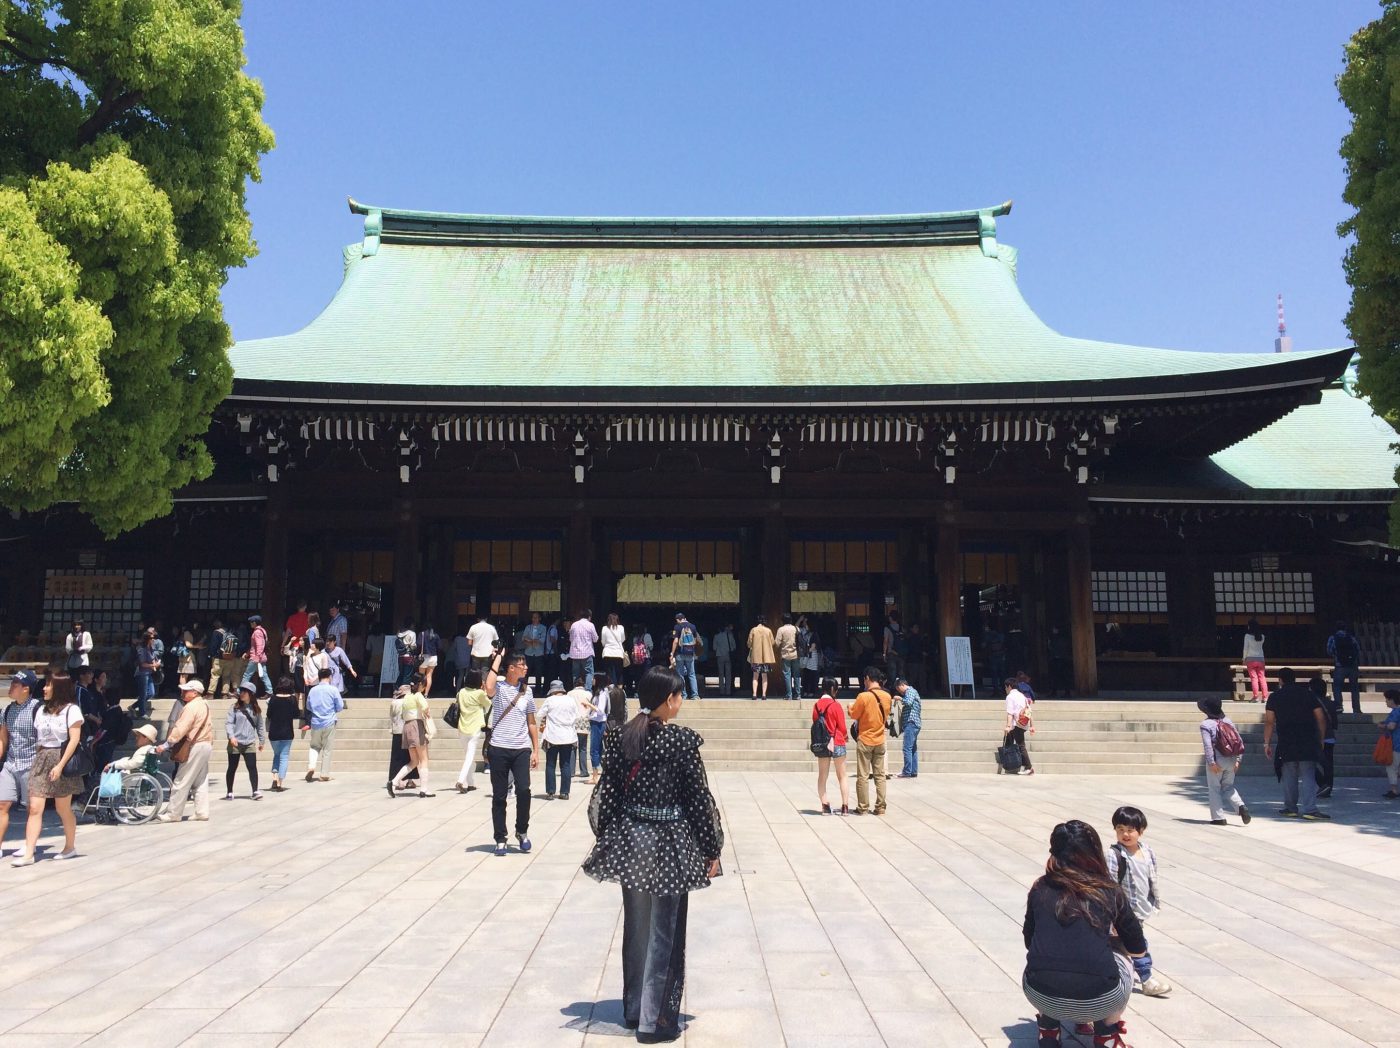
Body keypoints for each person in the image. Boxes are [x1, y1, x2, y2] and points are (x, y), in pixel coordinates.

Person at [582, 666, 724, 1044]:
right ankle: (654, 1019)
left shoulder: (621, 738)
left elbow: (607, 795)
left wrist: (608, 837)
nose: (680, 701)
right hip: (669, 844)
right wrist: (711, 848)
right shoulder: (680, 742)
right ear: (669, 700)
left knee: (637, 926)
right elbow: (698, 801)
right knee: (665, 929)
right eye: (678, 695)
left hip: (631, 840)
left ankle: (633, 1008)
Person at [1022, 820, 1145, 1048]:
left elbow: (1029, 942)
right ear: (1095, 851)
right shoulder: (1109, 890)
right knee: (1123, 957)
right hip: (1102, 999)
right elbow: (1138, 949)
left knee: (1045, 958)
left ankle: (1048, 1030)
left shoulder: (1040, 887)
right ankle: (1106, 1034)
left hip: (1040, 993)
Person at [11, 673, 84, 865]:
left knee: (63, 808)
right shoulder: (42, 710)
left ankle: (70, 846)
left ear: (59, 687)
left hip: (61, 758)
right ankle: (29, 853)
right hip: (41, 758)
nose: (44, 688)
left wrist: (60, 765)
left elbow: (74, 740)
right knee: (34, 807)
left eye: (48, 685)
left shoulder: (72, 710)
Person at [1104, 806, 1171, 998]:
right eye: (1120, 829)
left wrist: (1153, 901)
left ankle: (1114, 973)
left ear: (1141, 831)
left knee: (1122, 944)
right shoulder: (1114, 854)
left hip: (1142, 907)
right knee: (1137, 942)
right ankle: (1146, 978)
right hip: (1124, 911)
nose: (1125, 834)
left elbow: (1152, 877)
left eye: (1130, 830)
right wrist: (1114, 915)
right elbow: (1111, 885)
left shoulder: (1147, 851)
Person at [485, 650, 541, 856]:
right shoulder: (499, 688)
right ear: (510, 668)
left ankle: (522, 830)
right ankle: (500, 837)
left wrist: (536, 750)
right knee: (499, 795)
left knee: (524, 790)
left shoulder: (527, 691)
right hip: (499, 747)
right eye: (521, 664)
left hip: (521, 748)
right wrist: (498, 657)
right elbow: (488, 687)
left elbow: (532, 722)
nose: (525, 667)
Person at [1263, 667, 1329, 819]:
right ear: (1295, 679)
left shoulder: (1275, 697)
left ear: (1280, 680)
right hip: (1307, 738)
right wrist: (1321, 738)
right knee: (1308, 775)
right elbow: (1320, 717)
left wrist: (1266, 743)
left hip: (1286, 740)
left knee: (1289, 776)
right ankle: (1310, 809)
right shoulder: (1308, 694)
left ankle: (1290, 807)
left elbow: (1269, 721)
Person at [156, 680, 214, 824]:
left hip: (194, 745)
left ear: (195, 693)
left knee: (182, 779)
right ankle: (201, 812)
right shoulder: (205, 705)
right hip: (206, 744)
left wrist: (166, 744)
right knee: (200, 780)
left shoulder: (191, 707)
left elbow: (181, 728)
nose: (183, 692)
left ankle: (173, 814)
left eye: (186, 690)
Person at [0, 670, 42, 856]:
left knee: (31, 807)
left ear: (26, 689)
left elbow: (43, 740)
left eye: (15, 684)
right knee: (2, 804)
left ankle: (28, 844)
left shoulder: (37, 709)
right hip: (10, 763)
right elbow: (3, 739)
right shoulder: (7, 710)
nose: (11, 687)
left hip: (30, 764)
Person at [1197, 697, 1250, 825]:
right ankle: (1241, 806)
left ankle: (1218, 817)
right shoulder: (1228, 721)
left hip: (1218, 759)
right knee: (1228, 786)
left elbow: (1208, 746)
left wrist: (1211, 763)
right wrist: (1238, 760)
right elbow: (1239, 741)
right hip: (1231, 759)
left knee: (1214, 788)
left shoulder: (1206, 725)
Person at [848, 668, 891, 816]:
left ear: (867, 678)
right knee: (880, 775)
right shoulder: (887, 696)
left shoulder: (863, 696)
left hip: (865, 739)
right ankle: (880, 807)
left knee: (863, 775)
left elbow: (854, 714)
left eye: (864, 679)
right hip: (880, 739)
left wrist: (849, 708)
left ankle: (863, 807)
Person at [389, 673, 434, 797]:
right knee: (424, 759)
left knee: (413, 761)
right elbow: (425, 707)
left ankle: (393, 782)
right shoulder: (419, 696)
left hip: (407, 727)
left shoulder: (407, 697)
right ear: (421, 685)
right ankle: (424, 789)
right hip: (417, 726)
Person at [812, 677, 851, 816]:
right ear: (833, 689)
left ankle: (825, 806)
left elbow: (816, 723)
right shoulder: (836, 705)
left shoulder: (817, 705)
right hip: (838, 741)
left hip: (822, 743)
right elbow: (842, 726)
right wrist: (845, 737)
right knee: (842, 776)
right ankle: (845, 806)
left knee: (822, 775)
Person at [450, 668, 491, 793]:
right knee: (469, 757)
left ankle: (471, 783)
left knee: (469, 757)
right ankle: (460, 781)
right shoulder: (480, 694)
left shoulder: (461, 692)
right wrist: (483, 690)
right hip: (474, 728)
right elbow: (488, 704)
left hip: (462, 727)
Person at [536, 680, 578, 799]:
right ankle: (565, 792)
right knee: (565, 764)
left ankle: (550, 791)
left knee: (550, 764)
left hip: (552, 736)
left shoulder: (550, 700)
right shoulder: (570, 700)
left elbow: (539, 714)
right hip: (568, 736)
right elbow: (577, 715)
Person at [303, 666, 345, 783]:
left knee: (314, 746)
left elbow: (308, 706)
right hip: (329, 721)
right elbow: (340, 706)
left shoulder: (313, 690)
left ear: (319, 677)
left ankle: (311, 766)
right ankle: (324, 774)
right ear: (329, 677)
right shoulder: (333, 690)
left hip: (316, 722)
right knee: (327, 748)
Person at [224, 683, 266, 801]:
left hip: (249, 742)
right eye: (241, 691)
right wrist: (231, 737)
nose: (241, 694)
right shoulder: (234, 707)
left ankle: (255, 790)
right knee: (232, 767)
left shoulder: (255, 709)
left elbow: (260, 726)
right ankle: (230, 791)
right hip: (235, 742)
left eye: (244, 691)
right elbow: (229, 723)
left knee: (252, 766)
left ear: (251, 694)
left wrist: (262, 741)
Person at [266, 676, 299, 792]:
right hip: (287, 732)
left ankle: (274, 777)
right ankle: (280, 782)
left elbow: (269, 715)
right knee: (284, 756)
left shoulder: (273, 699)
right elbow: (296, 714)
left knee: (277, 754)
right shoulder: (292, 699)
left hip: (274, 732)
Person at [1327, 621, 1362, 715]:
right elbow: (1358, 650)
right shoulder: (1351, 637)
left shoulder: (1333, 638)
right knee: (1354, 688)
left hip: (1340, 666)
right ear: (1345, 628)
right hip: (1352, 666)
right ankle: (1356, 709)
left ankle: (1339, 707)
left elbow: (1329, 651)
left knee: (1337, 687)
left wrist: (1337, 656)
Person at [1311, 674, 1337, 798]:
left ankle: (1322, 784)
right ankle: (1328, 787)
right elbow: (1335, 722)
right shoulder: (1331, 703)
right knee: (1328, 764)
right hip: (1330, 736)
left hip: (1316, 736)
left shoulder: (1312, 703)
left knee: (1311, 762)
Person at [1004, 677, 1036, 776]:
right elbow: (1029, 711)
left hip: (1015, 724)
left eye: (1005, 687)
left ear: (1009, 686)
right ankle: (1011, 764)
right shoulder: (1022, 695)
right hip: (1023, 723)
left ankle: (1028, 767)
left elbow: (1010, 713)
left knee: (1021, 746)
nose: (1005, 689)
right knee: (1010, 743)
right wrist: (1032, 725)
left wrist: (1008, 726)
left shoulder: (1010, 697)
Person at [895, 677, 922, 778]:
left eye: (898, 689)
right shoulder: (912, 691)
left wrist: (900, 698)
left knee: (907, 748)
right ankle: (913, 771)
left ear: (902, 685)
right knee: (913, 748)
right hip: (915, 723)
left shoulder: (909, 691)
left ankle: (907, 771)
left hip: (911, 722)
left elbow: (908, 702)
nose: (899, 692)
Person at [241, 614, 272, 695]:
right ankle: (269, 691)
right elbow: (256, 646)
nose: (250, 623)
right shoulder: (263, 631)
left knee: (247, 675)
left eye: (251, 622)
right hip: (261, 657)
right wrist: (247, 653)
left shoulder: (257, 632)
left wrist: (257, 657)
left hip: (256, 658)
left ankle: (240, 691)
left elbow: (259, 645)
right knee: (264, 675)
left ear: (254, 623)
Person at [747, 615, 776, 700]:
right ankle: (764, 695)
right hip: (766, 658)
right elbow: (773, 642)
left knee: (755, 676)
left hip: (756, 657)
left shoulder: (753, 630)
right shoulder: (768, 630)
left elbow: (749, 643)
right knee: (764, 676)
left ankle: (754, 694)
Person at [569, 610, 599, 693]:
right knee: (589, 673)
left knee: (576, 673)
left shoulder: (574, 625)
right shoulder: (590, 625)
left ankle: (576, 690)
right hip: (587, 653)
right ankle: (588, 690)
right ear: (589, 617)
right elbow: (595, 639)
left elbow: (571, 639)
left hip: (575, 653)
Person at [589, 679, 612, 784]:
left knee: (595, 749)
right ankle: (596, 773)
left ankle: (595, 775)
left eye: (594, 678)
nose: (593, 680)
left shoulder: (602, 694)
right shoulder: (599, 693)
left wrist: (588, 704)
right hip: (595, 721)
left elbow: (601, 710)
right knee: (597, 748)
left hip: (598, 722)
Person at [135, 626, 161, 717]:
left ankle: (135, 706)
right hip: (142, 673)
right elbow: (142, 664)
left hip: (148, 673)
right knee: (143, 693)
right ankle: (142, 713)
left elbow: (153, 658)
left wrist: (155, 663)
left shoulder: (150, 648)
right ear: (147, 639)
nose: (153, 640)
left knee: (151, 693)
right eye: (152, 638)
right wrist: (154, 665)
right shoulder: (142, 649)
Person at [775, 614, 800, 700]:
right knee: (796, 675)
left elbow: (777, 643)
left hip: (785, 654)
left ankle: (789, 695)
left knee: (787, 675)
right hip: (795, 654)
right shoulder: (795, 628)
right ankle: (798, 694)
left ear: (783, 621)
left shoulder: (781, 629)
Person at [1380, 689, 1400, 799]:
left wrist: (1382, 726)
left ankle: (1394, 790)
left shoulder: (1396, 712)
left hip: (1396, 743)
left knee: (1392, 767)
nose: (1386, 702)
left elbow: (1392, 726)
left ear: (1392, 700)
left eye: (1387, 699)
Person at [324, 634, 358, 698]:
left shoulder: (339, 650)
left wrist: (352, 670)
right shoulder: (323, 651)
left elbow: (346, 660)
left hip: (336, 673)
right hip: (327, 673)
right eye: (327, 641)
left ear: (334, 642)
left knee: (336, 690)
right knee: (328, 690)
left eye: (330, 642)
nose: (328, 643)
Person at [520, 612, 548, 687]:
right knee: (526, 672)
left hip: (539, 653)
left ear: (540, 618)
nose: (534, 619)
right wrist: (533, 641)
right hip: (528, 653)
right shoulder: (528, 627)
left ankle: (538, 690)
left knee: (538, 673)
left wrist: (529, 640)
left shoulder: (543, 628)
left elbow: (542, 640)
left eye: (536, 617)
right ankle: (523, 688)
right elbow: (523, 638)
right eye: (533, 617)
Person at [1242, 620, 1268, 702]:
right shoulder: (1262, 637)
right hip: (1261, 659)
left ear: (1250, 626)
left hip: (1250, 659)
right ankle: (1265, 697)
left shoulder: (1247, 636)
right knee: (1262, 677)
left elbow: (1245, 648)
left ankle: (1256, 696)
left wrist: (1243, 658)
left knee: (1254, 678)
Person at [600, 613, 627, 688]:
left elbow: (603, 642)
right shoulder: (621, 628)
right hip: (618, 653)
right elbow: (623, 639)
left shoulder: (604, 628)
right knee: (619, 673)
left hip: (607, 653)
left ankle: (610, 689)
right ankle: (620, 690)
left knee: (609, 673)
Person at [627, 624, 651, 695]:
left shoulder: (635, 638)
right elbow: (651, 646)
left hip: (637, 660)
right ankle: (646, 691)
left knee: (638, 676)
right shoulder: (647, 636)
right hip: (646, 658)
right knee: (646, 675)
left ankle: (637, 691)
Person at [712, 624, 736, 696]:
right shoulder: (730, 636)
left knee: (721, 674)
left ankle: (721, 691)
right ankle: (728, 691)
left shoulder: (716, 636)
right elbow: (734, 646)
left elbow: (714, 648)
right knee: (728, 674)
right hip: (728, 655)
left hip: (719, 655)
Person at [418, 623, 442, 694]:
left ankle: (420, 693)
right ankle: (426, 694)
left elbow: (418, 644)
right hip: (433, 657)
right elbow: (440, 647)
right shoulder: (436, 635)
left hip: (424, 657)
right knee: (429, 676)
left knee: (421, 676)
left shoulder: (422, 634)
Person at [882, 611, 904, 682]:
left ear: (891, 618)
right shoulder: (901, 627)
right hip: (901, 652)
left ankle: (893, 688)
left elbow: (886, 641)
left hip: (891, 652)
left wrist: (884, 654)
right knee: (901, 672)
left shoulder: (887, 628)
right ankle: (902, 688)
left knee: (892, 673)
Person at [395, 621, 418, 687]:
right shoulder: (412, 633)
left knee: (401, 673)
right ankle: (404, 690)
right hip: (408, 656)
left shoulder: (399, 633)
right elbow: (413, 646)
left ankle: (397, 688)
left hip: (400, 656)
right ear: (411, 625)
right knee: (407, 674)